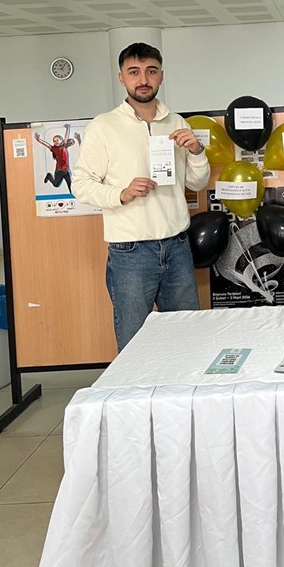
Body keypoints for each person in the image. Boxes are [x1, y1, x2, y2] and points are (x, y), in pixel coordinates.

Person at [72, 42, 210, 350]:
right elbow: (80, 184)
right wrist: (120, 193)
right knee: (134, 342)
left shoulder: (176, 122)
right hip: (130, 252)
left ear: (161, 75)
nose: (143, 79)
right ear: (121, 77)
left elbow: (197, 182)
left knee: (188, 336)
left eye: (151, 71)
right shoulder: (104, 126)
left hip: (177, 245)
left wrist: (197, 150)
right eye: (134, 72)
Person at [34, 123, 81, 192]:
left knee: (71, 187)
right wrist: (38, 140)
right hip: (59, 171)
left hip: (66, 170)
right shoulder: (53, 148)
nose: (56, 142)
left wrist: (67, 128)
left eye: (57, 140)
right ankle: (49, 176)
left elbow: (66, 136)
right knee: (56, 185)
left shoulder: (64, 146)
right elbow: (46, 144)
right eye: (54, 141)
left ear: (61, 140)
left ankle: (74, 195)